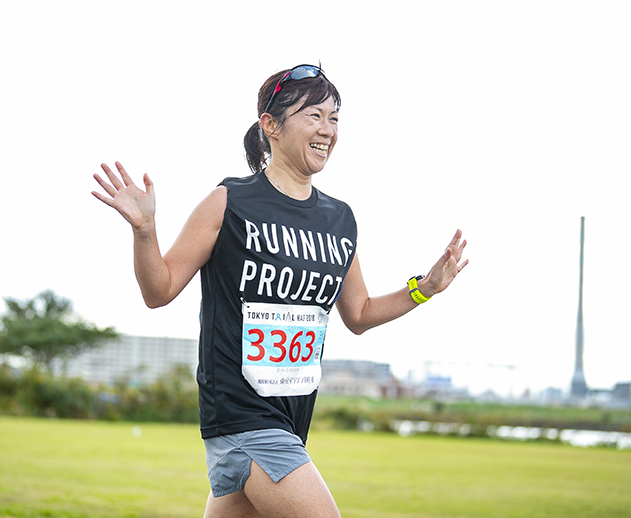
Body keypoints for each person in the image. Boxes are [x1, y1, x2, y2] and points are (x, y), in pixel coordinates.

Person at [92, 64, 468, 518]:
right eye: (313, 115)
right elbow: (160, 290)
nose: (327, 129)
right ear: (270, 125)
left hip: (290, 423)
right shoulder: (229, 201)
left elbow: (360, 313)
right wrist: (145, 230)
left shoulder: (340, 219)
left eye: (334, 118)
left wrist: (424, 289)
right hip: (241, 417)